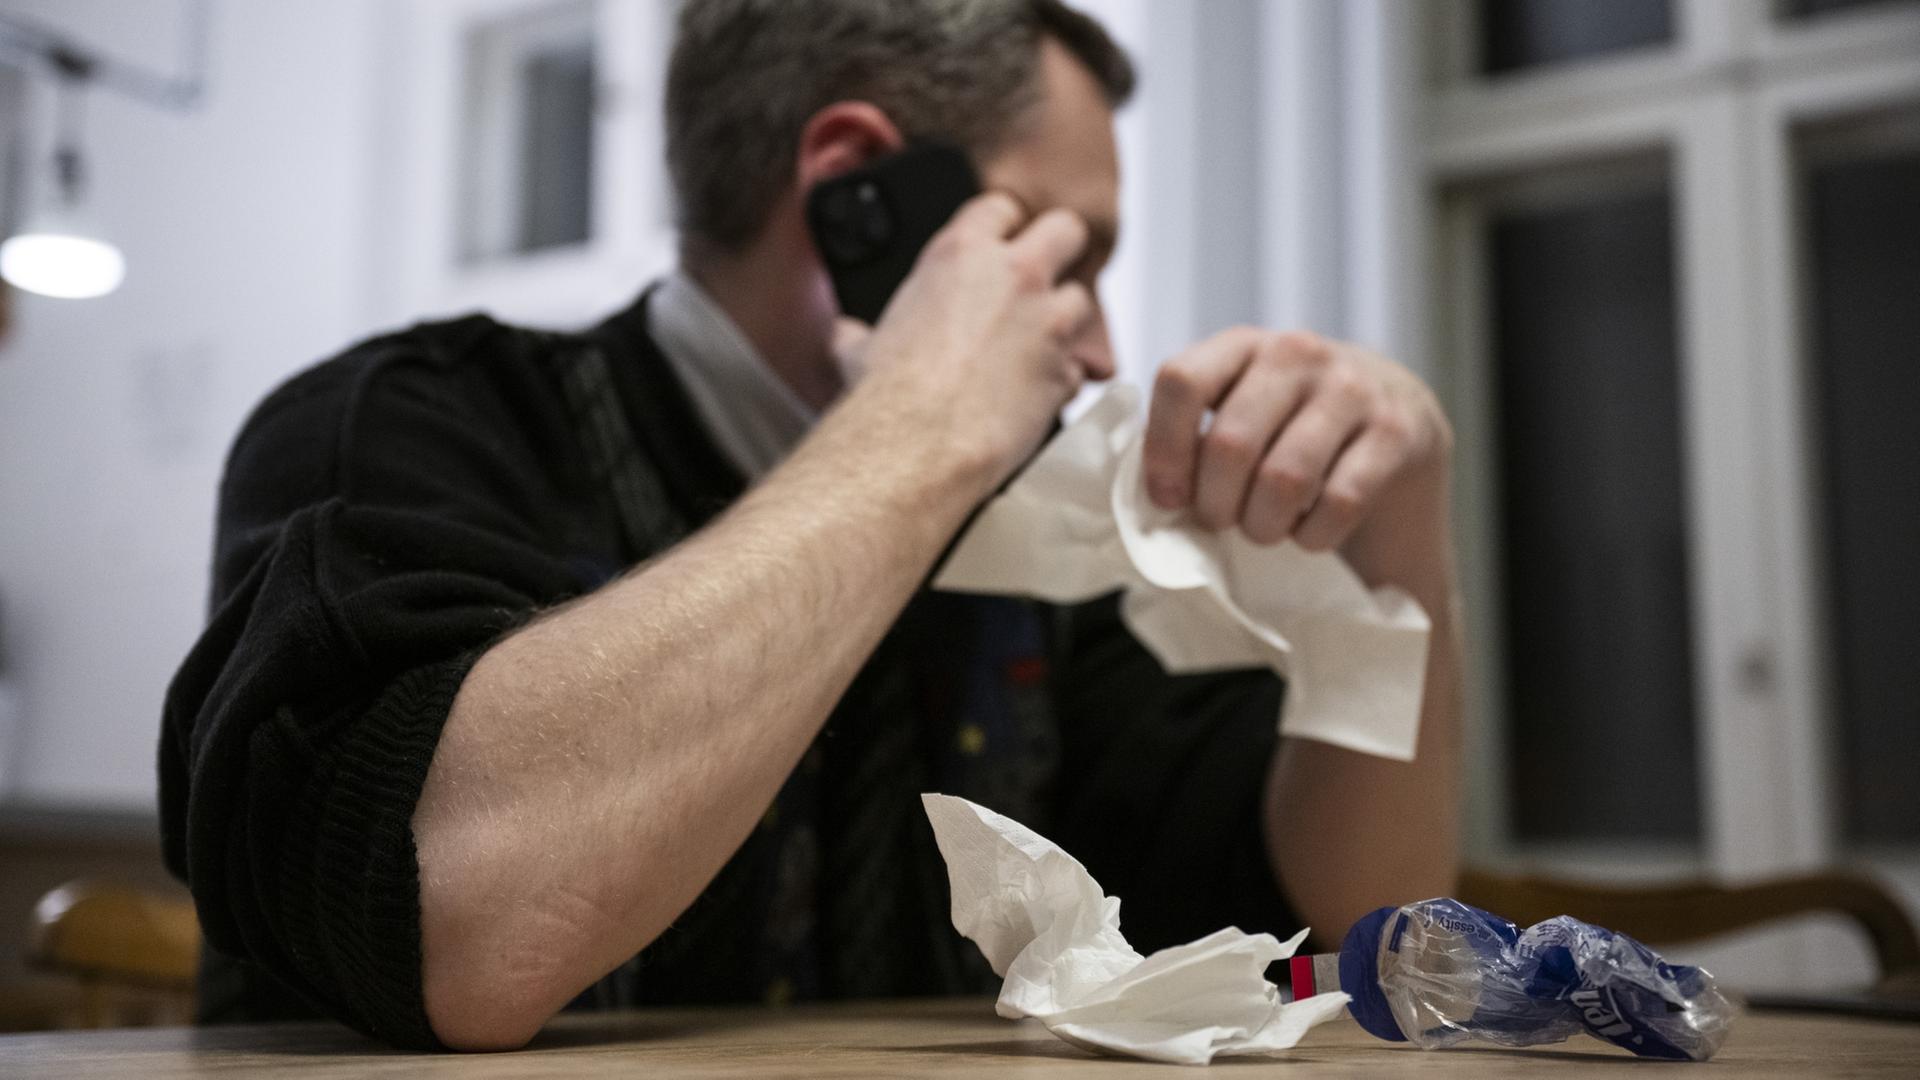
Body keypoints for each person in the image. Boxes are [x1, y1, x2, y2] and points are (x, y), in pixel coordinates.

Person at [161, 0, 1463, 1052]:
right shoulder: (400, 434)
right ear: (858, 189)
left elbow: (1348, 917)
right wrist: (920, 428)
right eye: (1068, 260)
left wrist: (1393, 544)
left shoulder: (1031, 525)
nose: (1103, 342)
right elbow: (458, 929)